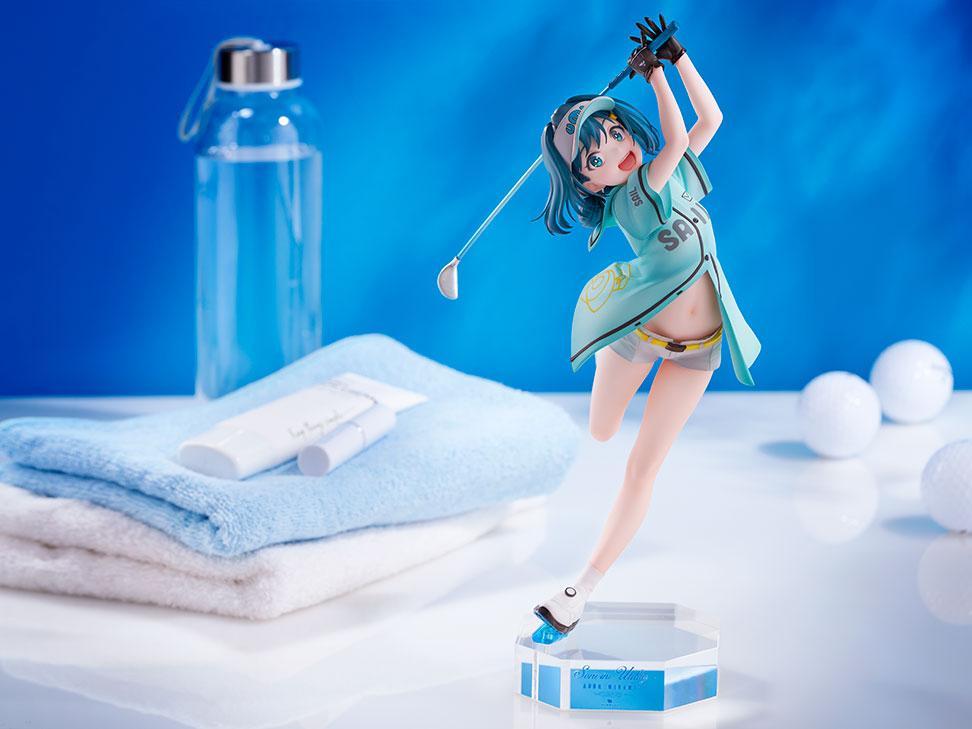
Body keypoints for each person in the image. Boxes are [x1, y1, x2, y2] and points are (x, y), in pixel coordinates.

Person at [533, 15, 761, 636]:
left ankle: (580, 590)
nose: (616, 148)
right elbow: (678, 138)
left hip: (699, 348)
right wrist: (656, 74)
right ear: (588, 180)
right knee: (602, 430)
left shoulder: (671, 176)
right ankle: (609, 345)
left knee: (641, 468)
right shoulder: (632, 195)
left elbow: (709, 121)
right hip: (642, 334)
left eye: (612, 131)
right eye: (596, 155)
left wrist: (679, 57)